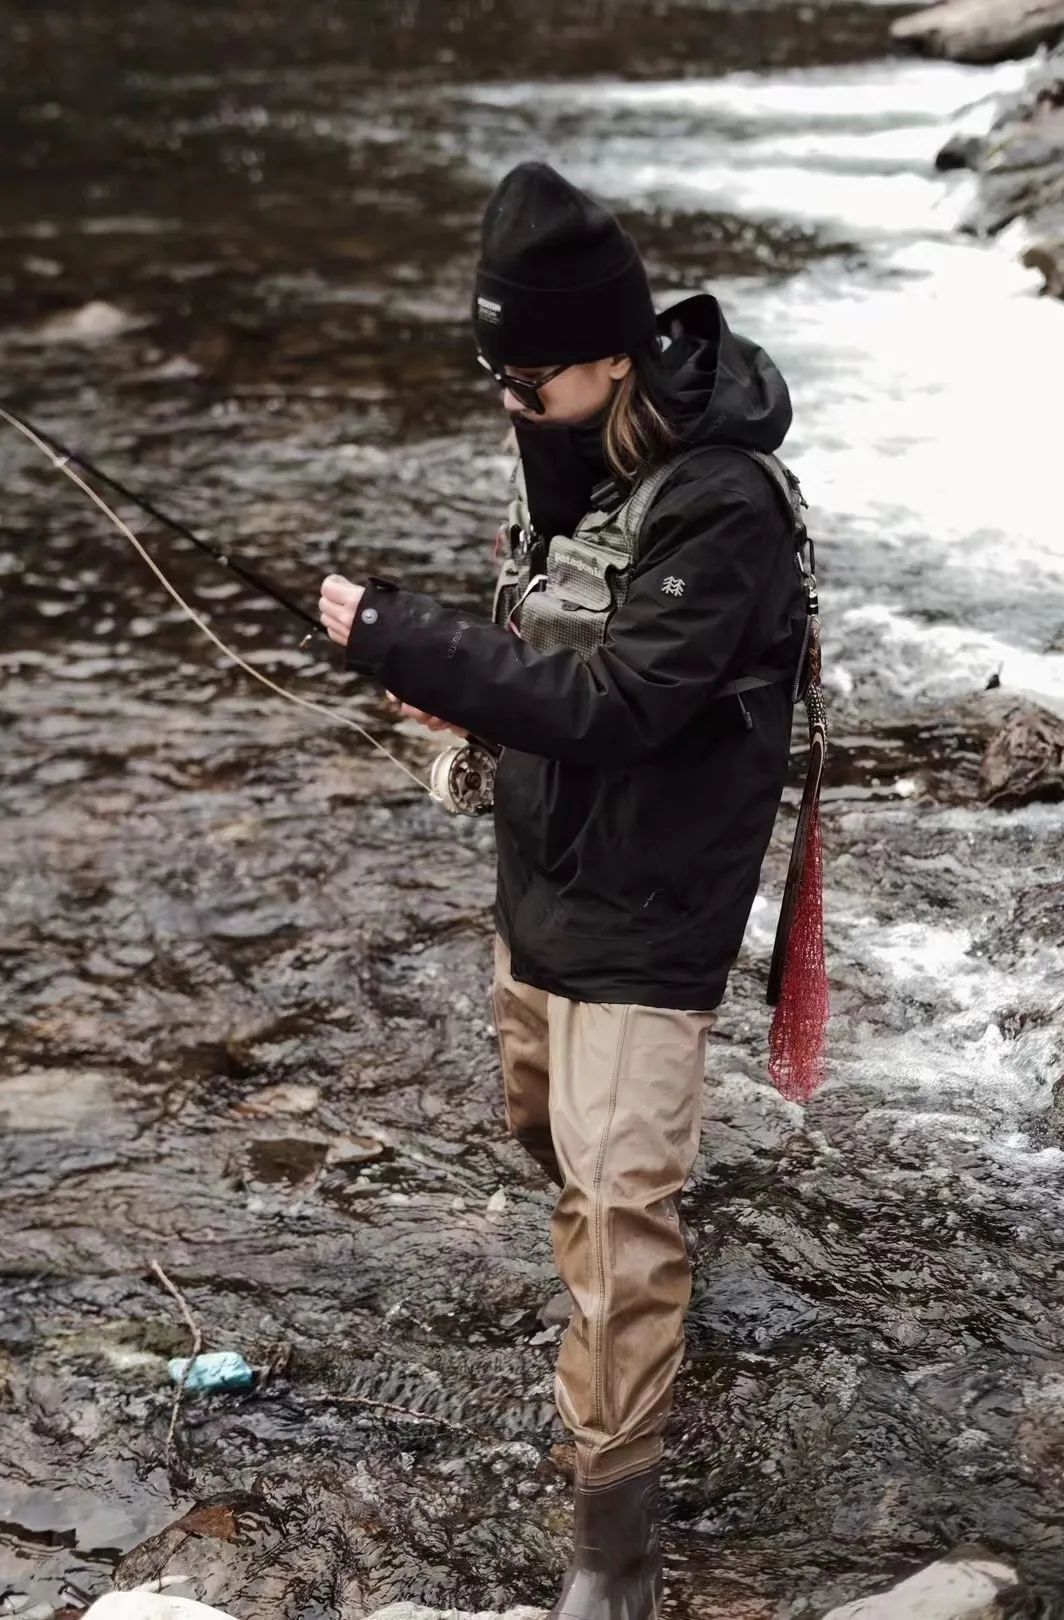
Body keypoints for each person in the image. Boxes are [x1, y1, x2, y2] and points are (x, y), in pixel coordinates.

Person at [318, 161, 810, 1620]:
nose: (509, 404)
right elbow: (545, 664)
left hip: (656, 905)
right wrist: (465, 702)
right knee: (551, 1143)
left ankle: (618, 1551)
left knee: (616, 1207)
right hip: (545, 879)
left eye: (527, 378)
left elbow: (618, 705)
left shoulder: (720, 508)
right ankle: (639, 1323)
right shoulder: (569, 451)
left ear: (613, 352)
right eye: (497, 375)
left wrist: (408, 647)